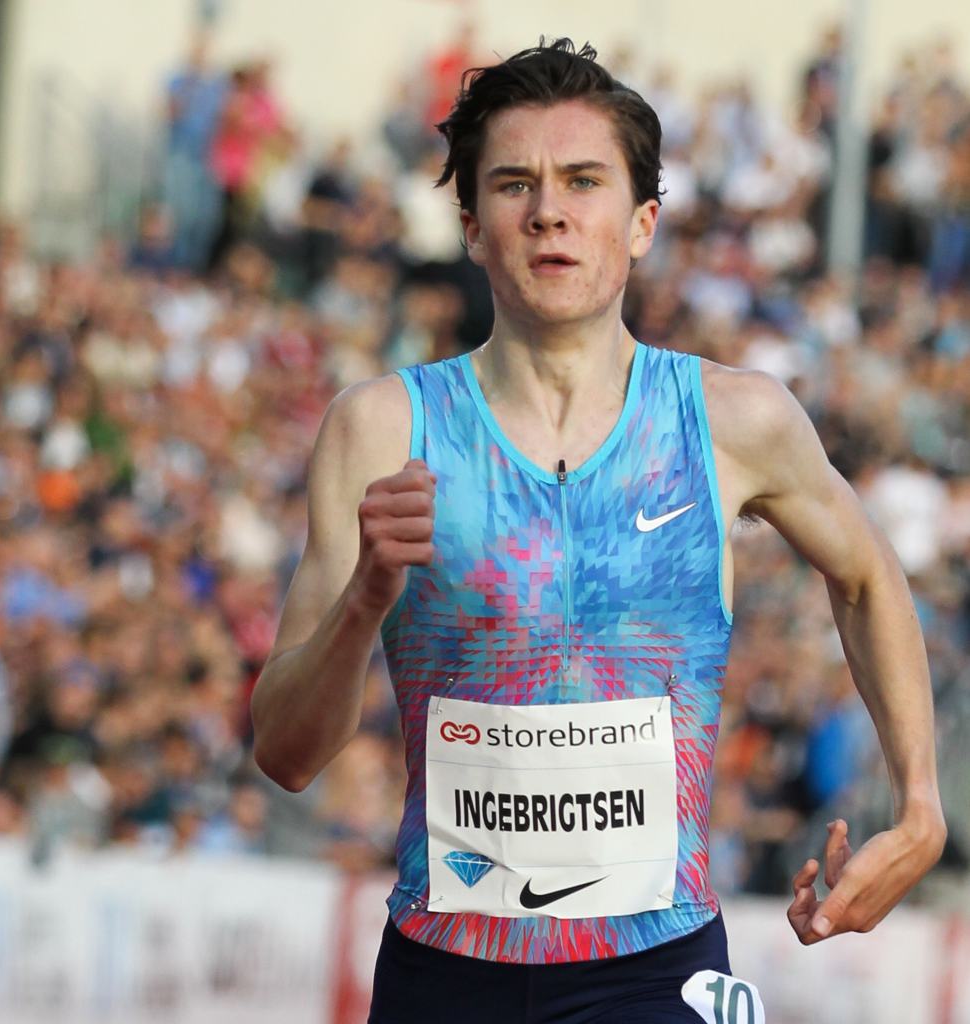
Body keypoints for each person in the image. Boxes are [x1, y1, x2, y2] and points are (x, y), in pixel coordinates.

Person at [249, 39, 946, 1023]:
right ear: (472, 226)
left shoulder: (731, 420)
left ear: (643, 221)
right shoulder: (382, 429)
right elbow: (285, 754)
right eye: (514, 184)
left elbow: (868, 577)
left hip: (654, 970)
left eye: (584, 181)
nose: (550, 211)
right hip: (445, 972)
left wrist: (920, 803)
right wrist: (365, 598)